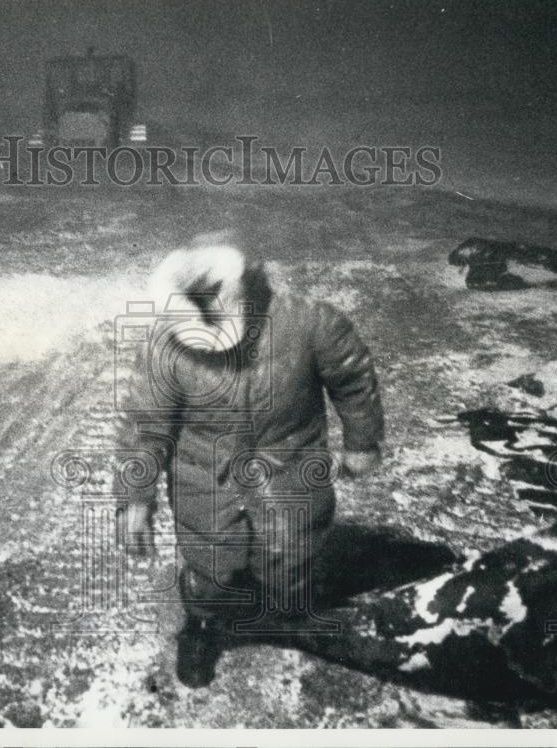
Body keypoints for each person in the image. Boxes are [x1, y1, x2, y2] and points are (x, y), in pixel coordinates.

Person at [114, 234, 383, 687]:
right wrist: (135, 497)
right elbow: (146, 424)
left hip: (291, 475)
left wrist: (362, 440)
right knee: (209, 563)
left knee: (291, 554)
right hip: (205, 483)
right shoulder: (166, 345)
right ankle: (201, 624)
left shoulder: (311, 323)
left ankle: (291, 614)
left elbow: (353, 378)